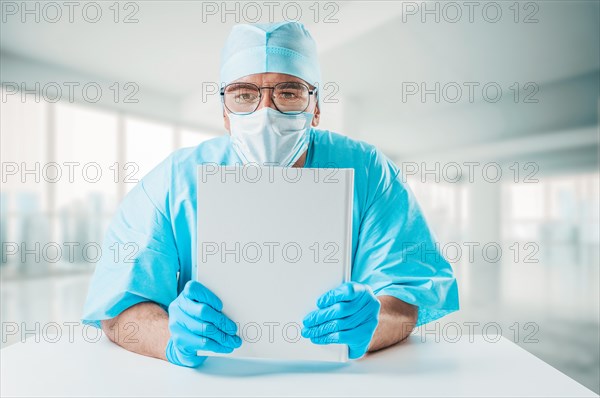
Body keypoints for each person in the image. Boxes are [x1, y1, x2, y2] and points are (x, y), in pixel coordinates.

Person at [82, 21, 459, 368]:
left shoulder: (369, 172)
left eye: (289, 92)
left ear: (316, 108)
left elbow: (407, 299)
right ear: (225, 113)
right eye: (243, 94)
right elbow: (119, 309)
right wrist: (172, 337)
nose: (265, 112)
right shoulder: (173, 181)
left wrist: (373, 320)